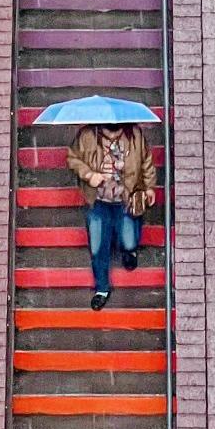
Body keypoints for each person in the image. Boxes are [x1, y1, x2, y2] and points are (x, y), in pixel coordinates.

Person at [67, 122, 157, 311]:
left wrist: (149, 187)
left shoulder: (135, 135)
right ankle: (101, 289)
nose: (113, 133)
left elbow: (146, 161)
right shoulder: (87, 135)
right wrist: (89, 174)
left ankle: (129, 251)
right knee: (98, 246)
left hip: (126, 197)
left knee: (129, 241)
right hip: (98, 200)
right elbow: (72, 158)